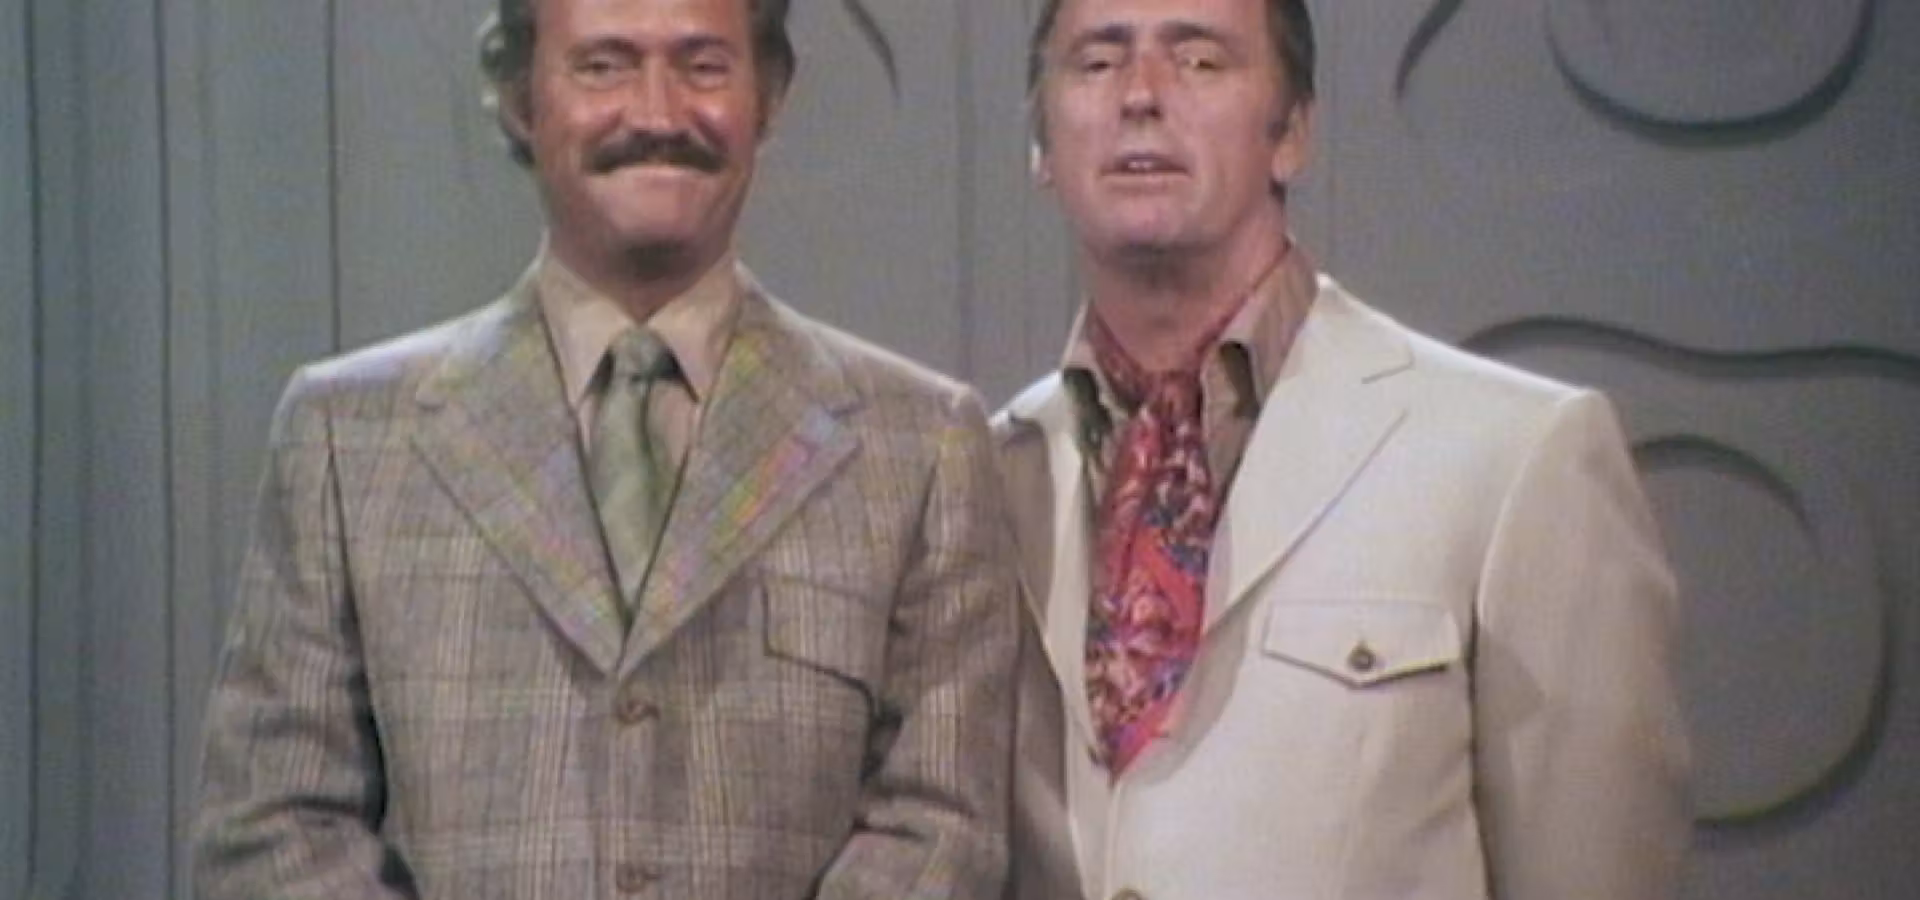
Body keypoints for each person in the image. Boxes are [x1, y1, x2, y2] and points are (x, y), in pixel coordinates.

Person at [191, 0, 1017, 896]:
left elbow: (941, 829)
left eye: (703, 66)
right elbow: (273, 832)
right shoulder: (346, 438)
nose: (658, 114)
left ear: (769, 96)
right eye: (604, 65)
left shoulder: (920, 445)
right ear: (521, 97)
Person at [995, 0, 1691, 897]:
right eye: (1097, 62)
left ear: (1291, 133)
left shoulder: (1515, 456)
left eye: (1200, 60)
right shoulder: (986, 476)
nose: (1141, 94)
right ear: (1041, 146)